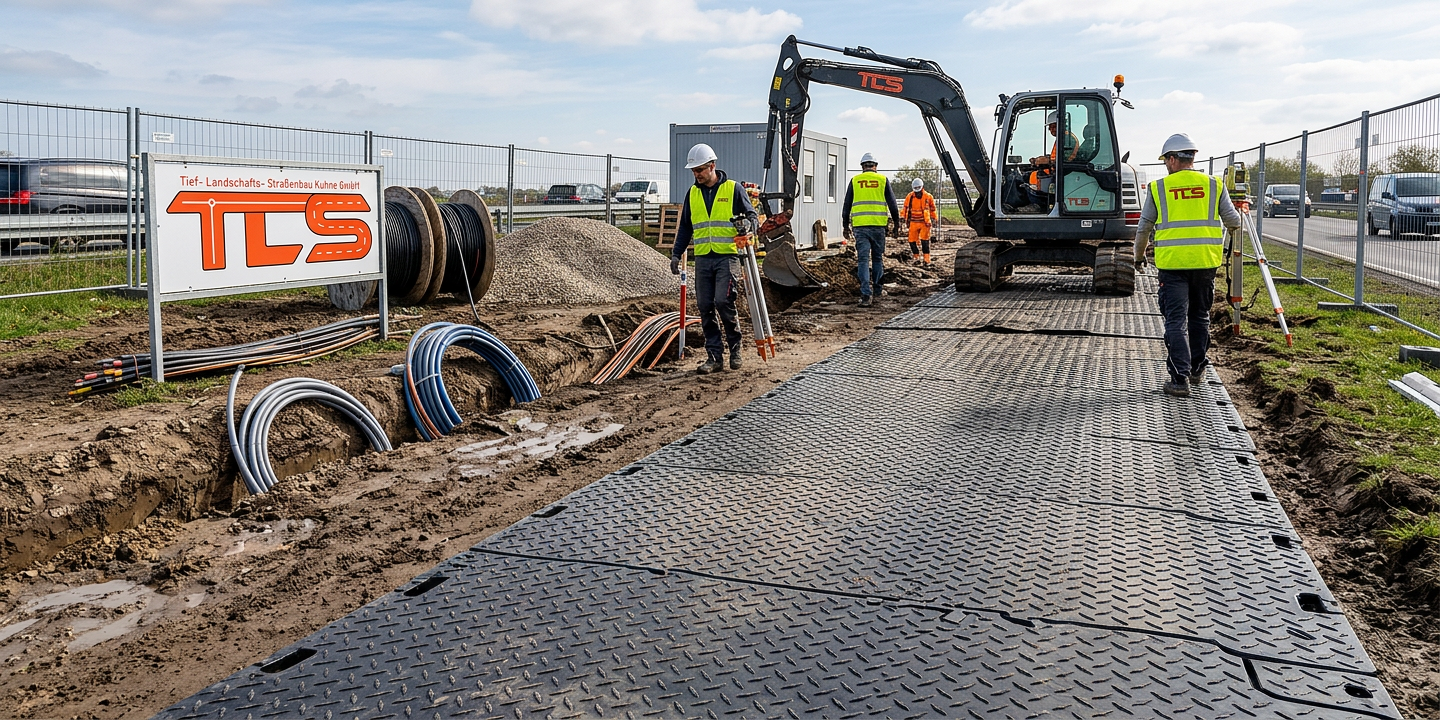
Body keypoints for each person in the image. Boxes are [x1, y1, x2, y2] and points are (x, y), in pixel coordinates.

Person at [1134, 133, 1242, 398]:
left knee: (1175, 320)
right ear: (1192, 158)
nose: (1166, 166)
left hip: (1172, 266)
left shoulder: (1160, 188)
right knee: (1199, 317)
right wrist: (1224, 247)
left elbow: (1144, 227)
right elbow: (1234, 221)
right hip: (1205, 264)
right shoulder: (1214, 185)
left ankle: (1179, 379)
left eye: (1165, 161)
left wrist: (1138, 257)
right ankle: (1197, 369)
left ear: (1172, 159)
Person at [669, 143, 758, 374]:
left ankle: (735, 347)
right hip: (703, 259)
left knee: (722, 301)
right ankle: (714, 357)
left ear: (712, 166)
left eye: (700, 170)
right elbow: (685, 227)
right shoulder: (692, 194)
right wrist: (676, 254)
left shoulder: (733, 189)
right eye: (694, 171)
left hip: (727, 256)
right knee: (705, 306)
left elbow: (752, 216)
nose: (696, 174)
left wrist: (749, 224)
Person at [841, 152, 900, 307]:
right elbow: (893, 204)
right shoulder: (882, 180)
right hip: (878, 227)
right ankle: (878, 290)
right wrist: (896, 225)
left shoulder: (855, 181)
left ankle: (866, 294)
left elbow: (846, 205)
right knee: (877, 259)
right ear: (876, 166)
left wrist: (845, 226)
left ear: (862, 167)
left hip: (860, 227)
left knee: (863, 260)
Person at [1023, 110, 1079, 211]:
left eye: (1053, 126)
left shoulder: (1067, 139)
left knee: (1025, 178)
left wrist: (1043, 160)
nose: (1051, 130)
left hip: (1062, 174)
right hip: (1056, 172)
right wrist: (1039, 159)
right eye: (1050, 127)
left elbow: (1062, 160)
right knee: (1028, 175)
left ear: (1062, 124)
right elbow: (1055, 156)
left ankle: (1037, 205)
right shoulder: (1062, 138)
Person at [902, 178, 938, 267]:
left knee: (924, 241)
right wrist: (903, 218)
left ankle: (926, 260)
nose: (917, 193)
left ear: (922, 188)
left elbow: (933, 209)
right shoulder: (909, 197)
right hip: (913, 222)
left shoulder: (928, 197)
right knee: (912, 241)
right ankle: (916, 258)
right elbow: (905, 208)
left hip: (924, 223)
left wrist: (934, 218)